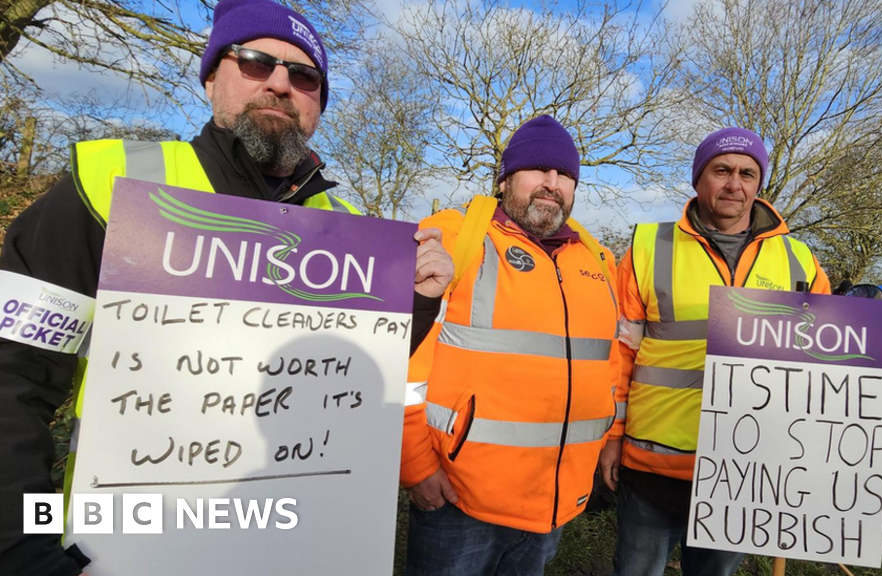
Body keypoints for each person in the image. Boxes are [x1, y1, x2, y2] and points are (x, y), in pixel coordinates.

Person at [0, 1, 452, 574]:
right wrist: (24, 550)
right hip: (122, 552)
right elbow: (12, 380)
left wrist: (415, 301)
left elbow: (347, 385)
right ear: (213, 76)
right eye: (258, 62)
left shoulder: (347, 228)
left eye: (306, 75)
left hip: (297, 546)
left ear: (319, 102)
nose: (283, 84)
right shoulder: (110, 185)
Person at [600, 127, 830, 576]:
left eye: (747, 173)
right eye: (721, 170)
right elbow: (618, 353)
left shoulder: (800, 260)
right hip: (655, 460)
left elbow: (820, 367)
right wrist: (611, 436)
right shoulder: (648, 247)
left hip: (748, 468)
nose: (734, 184)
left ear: (758, 184)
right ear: (698, 179)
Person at [399, 115, 621, 575]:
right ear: (504, 179)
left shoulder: (598, 260)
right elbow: (400, 364)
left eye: (564, 175)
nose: (552, 183)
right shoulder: (456, 237)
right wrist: (416, 468)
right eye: (538, 169)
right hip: (458, 504)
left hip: (553, 505)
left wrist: (607, 441)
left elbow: (609, 367)